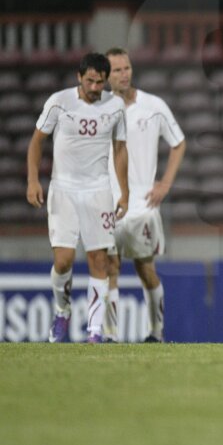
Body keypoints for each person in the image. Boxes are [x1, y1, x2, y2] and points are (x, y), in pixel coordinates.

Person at [26, 52, 129, 344]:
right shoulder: (59, 102)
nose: (95, 87)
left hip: (98, 190)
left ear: (106, 81)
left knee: (100, 260)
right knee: (63, 261)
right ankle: (62, 309)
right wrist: (33, 180)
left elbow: (120, 149)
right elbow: (36, 142)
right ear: (79, 78)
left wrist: (125, 192)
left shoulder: (115, 106)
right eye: (90, 81)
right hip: (64, 189)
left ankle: (94, 331)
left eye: (100, 82)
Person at [101, 48, 187, 342]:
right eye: (117, 70)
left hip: (142, 203)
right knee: (109, 266)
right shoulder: (99, 109)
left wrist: (165, 183)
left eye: (127, 68)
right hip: (107, 202)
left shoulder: (154, 105)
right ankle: (110, 335)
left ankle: (156, 331)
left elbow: (179, 142)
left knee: (145, 268)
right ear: (105, 75)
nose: (124, 74)